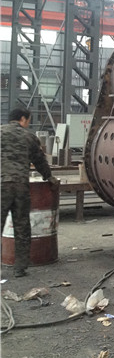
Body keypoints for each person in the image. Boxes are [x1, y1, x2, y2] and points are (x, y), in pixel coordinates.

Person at [1, 107, 58, 278]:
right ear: (23, 119)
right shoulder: (29, 137)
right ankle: (20, 268)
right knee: (22, 227)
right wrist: (49, 177)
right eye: (28, 120)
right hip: (20, 186)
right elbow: (40, 160)